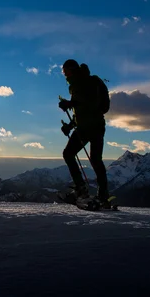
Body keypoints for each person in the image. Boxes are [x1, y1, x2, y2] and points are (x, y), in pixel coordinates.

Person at [58, 59, 111, 208]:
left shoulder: (84, 82)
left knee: (69, 154)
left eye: (65, 71)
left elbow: (89, 103)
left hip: (88, 127)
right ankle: (103, 195)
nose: (64, 74)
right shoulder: (83, 82)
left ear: (71, 70)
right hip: (96, 126)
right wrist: (70, 125)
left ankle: (81, 188)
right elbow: (83, 111)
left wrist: (70, 104)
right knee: (95, 159)